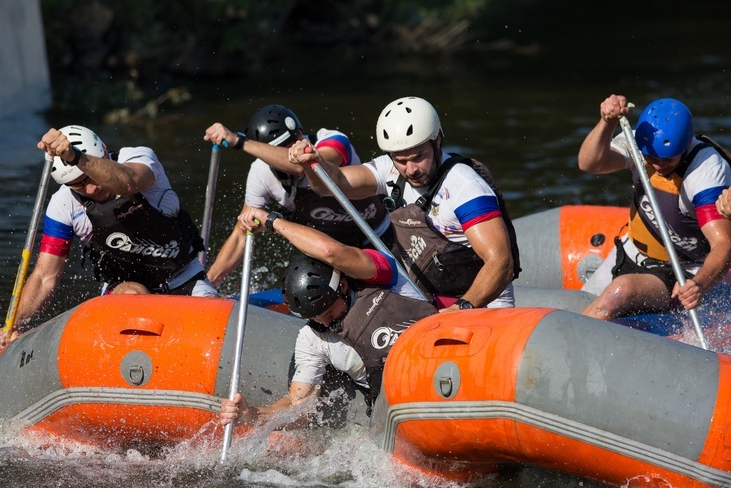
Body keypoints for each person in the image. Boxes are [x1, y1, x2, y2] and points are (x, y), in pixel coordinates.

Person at [0, 125, 217, 358]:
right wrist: (11, 327)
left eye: (90, 176)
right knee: (131, 295)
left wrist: (75, 157)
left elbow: (128, 182)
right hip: (123, 290)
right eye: (79, 184)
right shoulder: (62, 205)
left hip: (184, 279)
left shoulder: (139, 157)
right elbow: (44, 277)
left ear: (105, 151)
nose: (91, 187)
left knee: (212, 341)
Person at [286, 96, 521, 311]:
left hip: (482, 306)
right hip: (428, 301)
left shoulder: (464, 186)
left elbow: (500, 262)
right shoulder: (389, 170)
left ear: (437, 140)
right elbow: (332, 184)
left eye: (419, 156)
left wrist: (461, 308)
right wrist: (312, 163)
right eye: (401, 160)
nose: (411, 169)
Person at [218, 206, 437, 428]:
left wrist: (272, 221)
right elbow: (298, 405)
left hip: (439, 364)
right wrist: (253, 416)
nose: (324, 322)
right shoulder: (311, 338)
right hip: (399, 405)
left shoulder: (379, 275)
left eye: (329, 311)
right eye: (315, 318)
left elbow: (332, 252)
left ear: (342, 286)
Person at [578, 95, 731, 320]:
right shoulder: (639, 144)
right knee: (580, 306)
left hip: (681, 270)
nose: (658, 165)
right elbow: (589, 164)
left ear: (685, 145)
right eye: (651, 158)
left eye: (668, 160)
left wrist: (699, 284)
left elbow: (724, 244)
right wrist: (607, 122)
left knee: (620, 291)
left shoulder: (706, 171)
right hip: (630, 253)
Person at [203, 104, 392, 288]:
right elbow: (241, 234)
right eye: (272, 152)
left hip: (382, 239)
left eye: (287, 147)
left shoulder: (332, 141)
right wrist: (209, 282)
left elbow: (300, 166)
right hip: (333, 253)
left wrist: (240, 141)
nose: (286, 155)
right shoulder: (260, 172)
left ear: (300, 134)